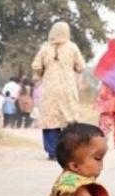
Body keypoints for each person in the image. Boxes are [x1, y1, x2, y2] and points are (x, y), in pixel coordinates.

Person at [31, 21, 86, 160]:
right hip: (68, 88)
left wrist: (43, 71)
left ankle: (52, 152)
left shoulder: (45, 48)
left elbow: (36, 66)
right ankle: (69, 151)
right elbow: (81, 67)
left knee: (50, 120)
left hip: (50, 89)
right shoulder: (72, 47)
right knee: (69, 119)